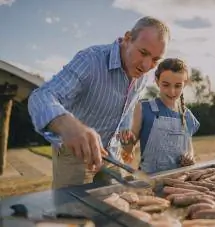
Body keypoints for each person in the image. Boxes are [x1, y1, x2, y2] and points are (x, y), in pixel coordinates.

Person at [27, 16, 170, 189]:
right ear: (127, 38)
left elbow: (126, 108)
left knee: (116, 207)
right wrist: (68, 125)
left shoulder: (142, 75)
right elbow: (41, 96)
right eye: (143, 52)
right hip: (76, 155)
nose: (147, 65)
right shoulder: (90, 60)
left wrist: (126, 139)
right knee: (73, 212)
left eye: (155, 60)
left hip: (112, 156)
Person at [120, 58, 200, 174]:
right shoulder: (143, 108)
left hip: (180, 181)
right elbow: (129, 149)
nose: (172, 91)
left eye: (177, 86)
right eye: (166, 85)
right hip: (149, 181)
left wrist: (190, 158)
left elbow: (189, 149)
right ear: (157, 81)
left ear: (185, 83)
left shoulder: (188, 116)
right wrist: (127, 142)